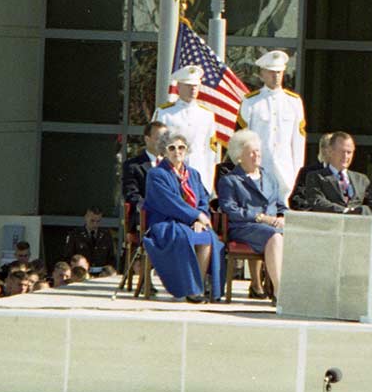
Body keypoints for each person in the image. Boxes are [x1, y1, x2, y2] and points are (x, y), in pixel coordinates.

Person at [141, 134, 224, 303]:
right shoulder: (156, 174)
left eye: (181, 147)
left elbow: (202, 199)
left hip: (192, 223)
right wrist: (195, 216)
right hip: (165, 222)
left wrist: (199, 219)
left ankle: (197, 287)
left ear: (186, 150)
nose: (177, 151)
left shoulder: (193, 174)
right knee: (182, 237)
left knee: (208, 238)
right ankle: (189, 289)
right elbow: (170, 202)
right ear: (164, 151)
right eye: (171, 148)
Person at [218, 129, 288, 297]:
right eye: (251, 152)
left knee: (293, 234)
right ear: (239, 156)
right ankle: (280, 291)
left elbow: (280, 205)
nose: (257, 155)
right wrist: (261, 218)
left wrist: (283, 217)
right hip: (245, 227)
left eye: (258, 151)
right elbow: (230, 209)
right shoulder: (229, 181)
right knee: (275, 236)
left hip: (274, 226)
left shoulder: (270, 177)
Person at [235, 50, 308, 203]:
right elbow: (243, 140)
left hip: (286, 170)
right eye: (271, 72)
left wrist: (298, 171)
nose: (276, 76)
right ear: (262, 73)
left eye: (279, 72)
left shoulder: (294, 102)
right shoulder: (251, 102)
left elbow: (298, 141)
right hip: (259, 166)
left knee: (284, 214)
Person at [160, 64, 223, 190]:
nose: (193, 89)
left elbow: (211, 151)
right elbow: (158, 147)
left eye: (195, 85)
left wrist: (208, 181)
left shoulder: (207, 115)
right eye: (188, 85)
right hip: (172, 173)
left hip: (198, 172)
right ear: (178, 86)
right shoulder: (164, 113)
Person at [290, 132, 372, 215]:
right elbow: (317, 201)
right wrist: (345, 211)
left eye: (349, 152)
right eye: (342, 151)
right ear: (330, 151)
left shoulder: (362, 179)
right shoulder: (315, 176)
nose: (346, 156)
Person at [122, 122, 168, 210]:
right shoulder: (133, 165)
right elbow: (131, 195)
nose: (163, 143)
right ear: (147, 139)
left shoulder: (172, 164)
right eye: (159, 139)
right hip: (147, 216)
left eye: (165, 139)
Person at [62, 208, 117, 274]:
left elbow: (111, 258)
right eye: (92, 221)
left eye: (98, 221)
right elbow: (68, 256)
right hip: (81, 273)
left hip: (101, 274)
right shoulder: (75, 235)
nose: (95, 224)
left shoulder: (106, 235)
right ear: (86, 218)